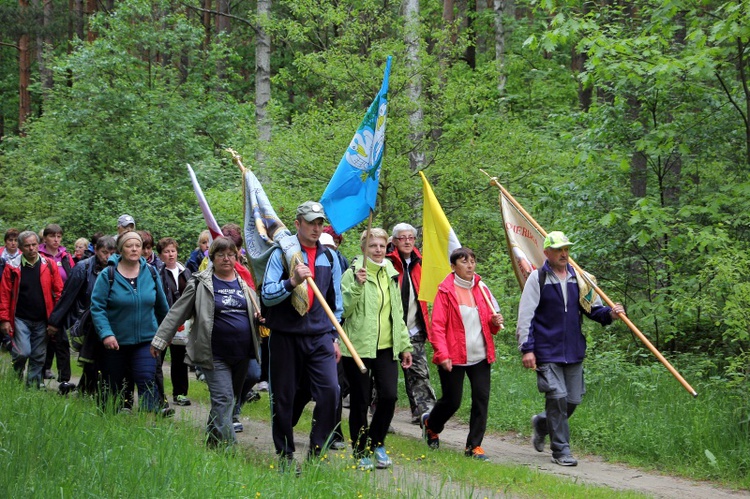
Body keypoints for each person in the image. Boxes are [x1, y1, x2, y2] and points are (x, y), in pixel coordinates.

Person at [516, 231, 625, 467]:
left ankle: (542, 424)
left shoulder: (581, 279)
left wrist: (611, 313)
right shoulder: (538, 279)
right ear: (547, 253)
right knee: (557, 398)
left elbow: (593, 310)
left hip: (573, 349)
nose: (564, 253)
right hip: (546, 350)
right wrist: (527, 348)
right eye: (558, 250)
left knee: (572, 400)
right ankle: (561, 451)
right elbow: (526, 316)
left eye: (566, 249)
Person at [151, 237, 260, 446]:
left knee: (229, 400)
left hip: (242, 353)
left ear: (236, 257)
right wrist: (160, 339)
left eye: (230, 255)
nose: (226, 259)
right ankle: (229, 449)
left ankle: (212, 441)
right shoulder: (200, 283)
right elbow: (177, 312)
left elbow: (254, 312)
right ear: (213, 258)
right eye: (221, 255)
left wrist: (259, 317)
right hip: (213, 353)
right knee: (224, 399)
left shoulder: (244, 283)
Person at [261, 200, 343, 472]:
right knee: (283, 396)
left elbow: (336, 302)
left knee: (331, 391)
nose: (316, 228)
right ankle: (285, 455)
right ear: (297, 224)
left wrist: (335, 337)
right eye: (311, 223)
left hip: (320, 336)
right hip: (286, 336)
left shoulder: (329, 257)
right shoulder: (281, 255)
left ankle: (317, 450)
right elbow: (267, 295)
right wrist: (292, 282)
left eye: (320, 223)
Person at [420, 247, 503, 461]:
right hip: (453, 355)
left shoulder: (482, 288)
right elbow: (437, 326)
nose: (470, 265)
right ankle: (431, 425)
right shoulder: (445, 291)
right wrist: (442, 353)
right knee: (452, 401)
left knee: (481, 399)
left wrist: (494, 323)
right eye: (464, 261)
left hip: (480, 356)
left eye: (473, 261)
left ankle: (474, 446)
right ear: (453, 266)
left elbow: (490, 325)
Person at [341, 228, 413, 470]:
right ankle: (360, 450)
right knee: (360, 401)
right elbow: (343, 310)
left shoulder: (390, 275)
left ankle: (377, 442)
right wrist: (358, 286)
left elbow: (398, 314)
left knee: (389, 396)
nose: (378, 250)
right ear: (363, 249)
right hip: (358, 347)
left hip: (386, 347)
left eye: (382, 246)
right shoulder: (352, 274)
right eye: (373, 246)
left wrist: (404, 345)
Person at [90, 231, 169, 413]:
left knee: (146, 378)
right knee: (113, 384)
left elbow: (162, 307)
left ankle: (148, 421)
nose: (134, 249)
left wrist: (166, 333)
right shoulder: (107, 274)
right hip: (115, 343)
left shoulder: (151, 272)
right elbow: (97, 307)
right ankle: (109, 417)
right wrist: (106, 334)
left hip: (146, 340)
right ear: (120, 249)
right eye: (129, 245)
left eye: (137, 245)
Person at [47, 236, 117, 395]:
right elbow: (67, 296)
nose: (108, 257)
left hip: (106, 320)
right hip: (83, 320)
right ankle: (83, 389)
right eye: (104, 252)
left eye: (112, 253)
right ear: (96, 250)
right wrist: (55, 322)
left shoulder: (117, 268)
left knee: (99, 358)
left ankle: (87, 389)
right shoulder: (82, 268)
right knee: (90, 357)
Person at [385, 223, 437, 424]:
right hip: (388, 330)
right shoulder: (387, 263)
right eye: (402, 238)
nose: (407, 241)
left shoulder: (421, 263)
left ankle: (427, 416)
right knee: (382, 378)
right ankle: (380, 416)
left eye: (410, 238)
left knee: (419, 372)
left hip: (415, 327)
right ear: (395, 241)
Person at [0, 231, 63, 387]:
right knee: (22, 353)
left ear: (38, 245)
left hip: (43, 319)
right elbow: (4, 295)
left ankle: (32, 388)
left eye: (34, 244)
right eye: (27, 245)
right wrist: (4, 319)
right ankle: (16, 378)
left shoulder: (49, 265)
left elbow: (59, 293)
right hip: (20, 318)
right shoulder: (12, 267)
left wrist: (55, 320)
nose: (31, 248)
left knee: (38, 356)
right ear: (21, 247)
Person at [156, 237, 192, 406]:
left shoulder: (186, 272)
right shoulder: (157, 272)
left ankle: (180, 393)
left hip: (182, 323)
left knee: (180, 359)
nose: (170, 255)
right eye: (166, 251)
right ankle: (157, 394)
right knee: (158, 358)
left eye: (173, 251)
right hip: (162, 322)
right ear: (160, 255)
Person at [39, 224, 76, 382]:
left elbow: (74, 276)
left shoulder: (65, 256)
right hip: (43, 302)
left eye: (59, 236)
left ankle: (64, 379)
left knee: (61, 340)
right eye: (52, 236)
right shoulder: (39, 254)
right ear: (45, 238)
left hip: (62, 304)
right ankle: (41, 372)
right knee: (43, 340)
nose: (56, 240)